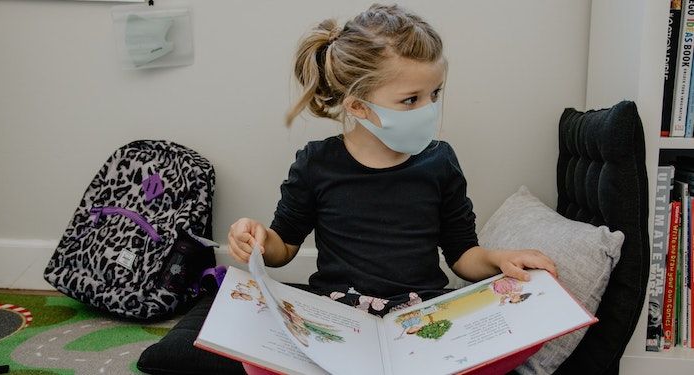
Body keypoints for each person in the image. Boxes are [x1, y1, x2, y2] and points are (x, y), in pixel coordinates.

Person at [228, 3, 556, 374]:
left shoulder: (440, 162)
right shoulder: (316, 164)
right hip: (339, 317)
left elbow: (462, 254)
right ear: (358, 106)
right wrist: (255, 237)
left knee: (519, 342)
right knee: (254, 359)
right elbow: (283, 247)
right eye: (411, 100)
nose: (429, 109)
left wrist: (498, 260)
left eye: (435, 94)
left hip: (421, 317)